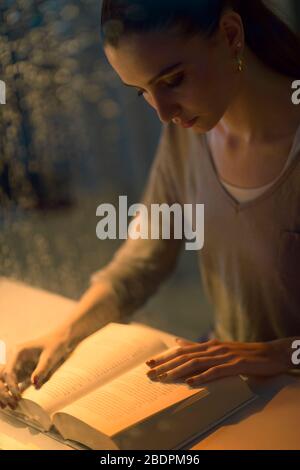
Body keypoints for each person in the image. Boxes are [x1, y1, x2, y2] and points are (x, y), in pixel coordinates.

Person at [1, 0, 300, 410]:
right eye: (143, 92)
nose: (162, 113)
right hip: (234, 388)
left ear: (231, 36)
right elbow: (142, 259)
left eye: (173, 79)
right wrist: (62, 335)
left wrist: (275, 354)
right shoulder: (190, 135)